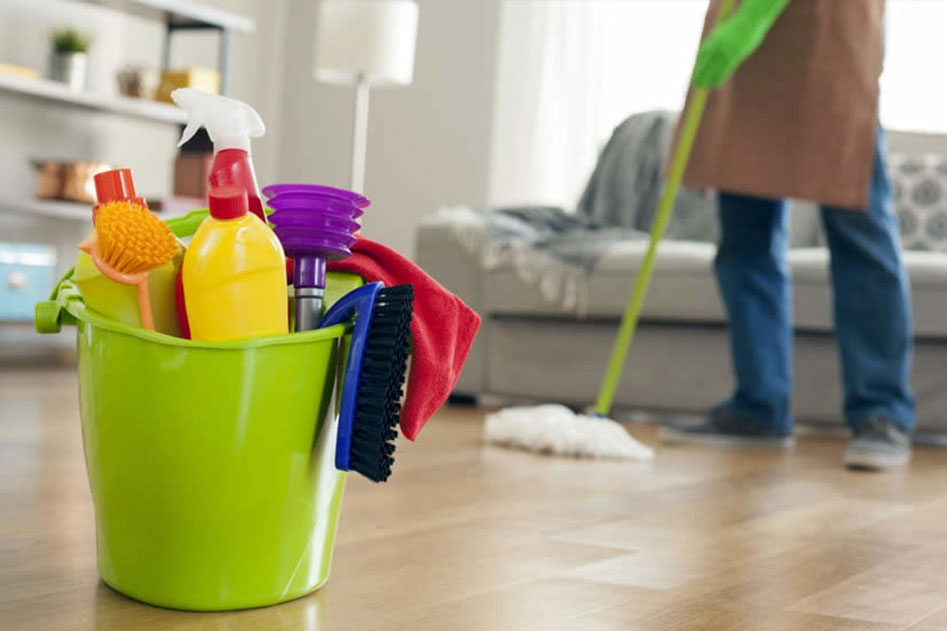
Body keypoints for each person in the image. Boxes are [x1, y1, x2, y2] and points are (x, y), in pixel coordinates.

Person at [659, 0, 915, 470]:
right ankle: (759, 406)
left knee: (859, 234)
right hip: (746, 45)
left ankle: (882, 412)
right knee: (745, 237)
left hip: (831, 28)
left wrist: (754, 17)